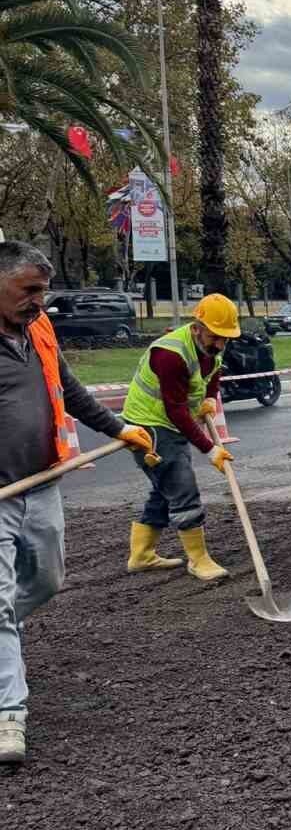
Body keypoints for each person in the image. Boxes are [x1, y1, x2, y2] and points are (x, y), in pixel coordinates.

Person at [0, 241, 156, 766]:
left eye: (43, 290)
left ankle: (3, 642)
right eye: (29, 291)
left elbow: (69, 390)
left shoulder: (39, 330)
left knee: (44, 583)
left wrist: (121, 429)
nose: (40, 301)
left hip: (41, 483)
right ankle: (8, 715)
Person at [120, 294, 238, 584]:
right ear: (197, 327)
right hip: (149, 426)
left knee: (166, 488)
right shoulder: (170, 354)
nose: (221, 344)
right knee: (182, 487)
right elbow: (176, 411)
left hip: (170, 423)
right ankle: (199, 560)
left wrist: (210, 398)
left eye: (226, 338)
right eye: (215, 336)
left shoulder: (211, 345)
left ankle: (141, 555)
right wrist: (210, 449)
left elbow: (213, 373)